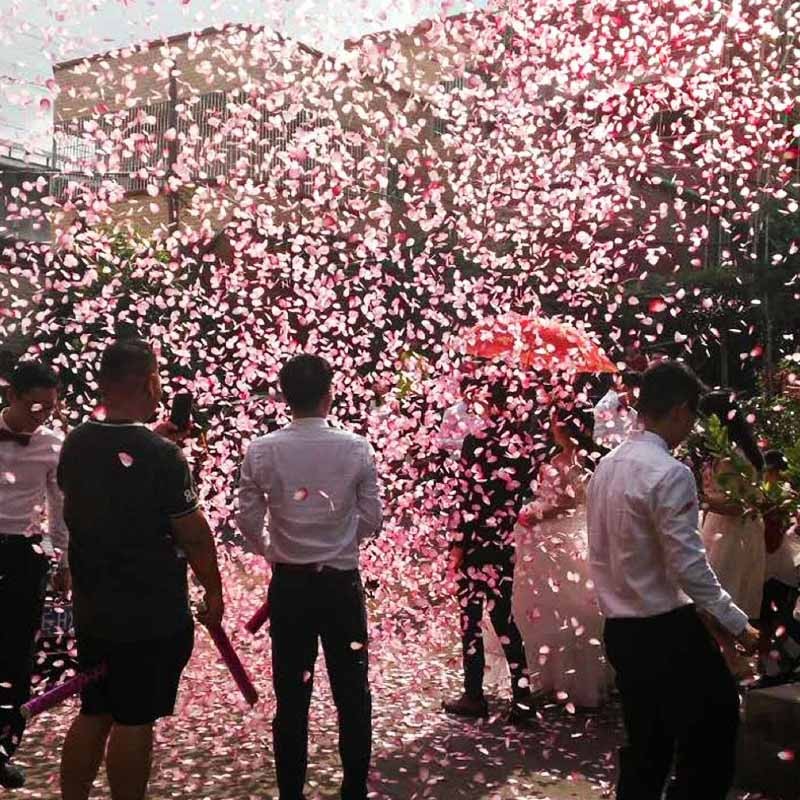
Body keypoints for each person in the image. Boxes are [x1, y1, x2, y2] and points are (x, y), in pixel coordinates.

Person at [58, 339, 224, 800]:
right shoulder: (162, 456)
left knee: (95, 710)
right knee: (134, 717)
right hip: (149, 611)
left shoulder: (75, 443)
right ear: (150, 382)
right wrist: (213, 589)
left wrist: (155, 441)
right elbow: (193, 534)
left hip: (93, 605)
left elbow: (110, 484)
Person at [587, 360, 759, 800]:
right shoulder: (669, 472)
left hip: (620, 630)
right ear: (681, 409)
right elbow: (689, 566)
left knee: (648, 746)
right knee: (713, 728)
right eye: (692, 416)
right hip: (664, 628)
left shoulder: (605, 466)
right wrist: (737, 623)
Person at [237, 354, 382, 800]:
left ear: (285, 397)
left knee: (291, 695)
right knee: (352, 691)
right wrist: (341, 543)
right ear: (328, 395)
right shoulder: (356, 447)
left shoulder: (262, 449)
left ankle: (291, 793)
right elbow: (372, 519)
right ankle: (354, 789)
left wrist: (274, 549)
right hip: (340, 584)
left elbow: (247, 519)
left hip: (291, 586)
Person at [442, 375, 535, 724]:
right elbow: (522, 493)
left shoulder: (476, 441)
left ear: (491, 403)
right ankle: (522, 699)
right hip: (503, 539)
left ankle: (474, 694)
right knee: (503, 617)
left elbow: (468, 499)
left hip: (476, 541)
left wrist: (457, 546)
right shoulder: (523, 444)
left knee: (471, 618)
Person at [507, 406, 609, 709]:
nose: (551, 427)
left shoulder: (571, 460)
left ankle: (566, 680)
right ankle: (558, 677)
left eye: (554, 422)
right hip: (567, 534)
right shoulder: (585, 458)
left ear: (564, 427)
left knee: (564, 606)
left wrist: (537, 515)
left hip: (559, 536)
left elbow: (571, 502)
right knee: (560, 606)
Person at [0, 360, 68, 790]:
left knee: (15, 656)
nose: (41, 416)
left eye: (50, 408)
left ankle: (3, 749)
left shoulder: (54, 444)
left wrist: (63, 560)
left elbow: (59, 508)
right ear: (11, 396)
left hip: (25, 554)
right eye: (34, 406)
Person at [699, 391, 765, 623]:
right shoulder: (728, 453)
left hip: (732, 535)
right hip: (722, 529)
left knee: (722, 607)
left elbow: (738, 507)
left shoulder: (733, 458)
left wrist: (699, 499)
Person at [592, 369, 641, 449]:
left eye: (637, 396)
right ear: (624, 388)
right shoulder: (605, 404)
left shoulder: (634, 415)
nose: (635, 399)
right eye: (634, 393)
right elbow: (598, 436)